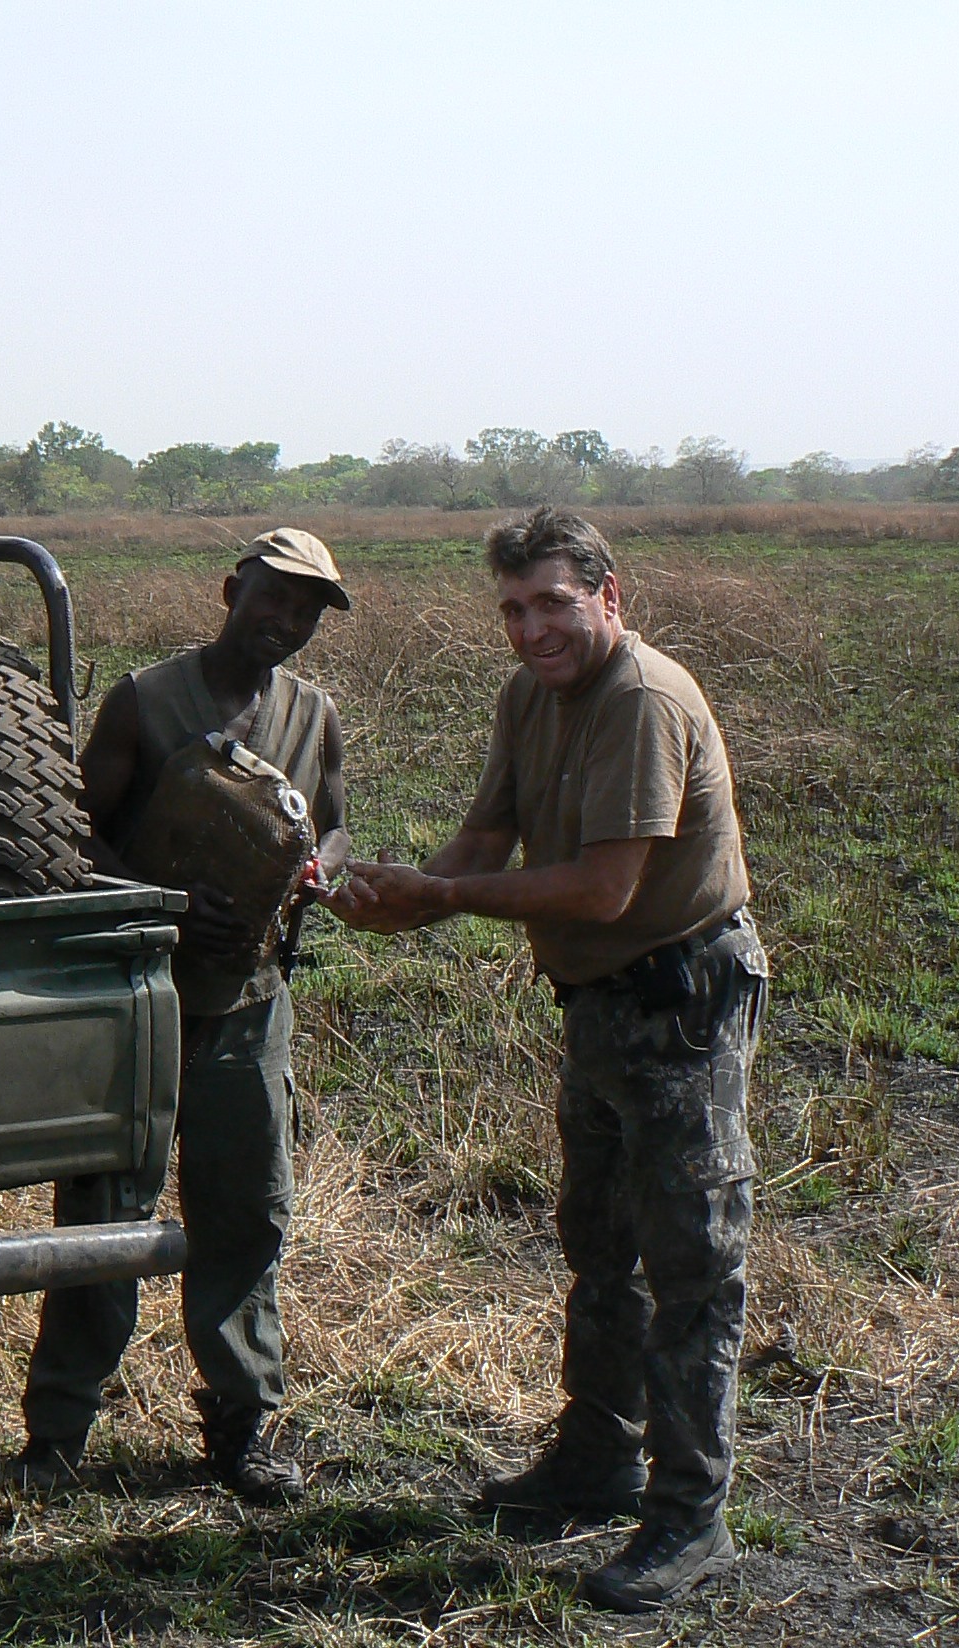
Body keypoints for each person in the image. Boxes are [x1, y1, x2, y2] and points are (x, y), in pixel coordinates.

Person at [326, 507, 766, 1613]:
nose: (529, 630)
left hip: (679, 995)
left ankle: (686, 1517)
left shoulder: (642, 700)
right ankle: (595, 1459)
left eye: (552, 604)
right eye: (513, 609)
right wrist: (398, 898)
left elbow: (601, 886)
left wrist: (444, 897)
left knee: (689, 1264)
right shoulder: (528, 696)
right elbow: (484, 838)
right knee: (598, 1241)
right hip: (598, 1003)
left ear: (609, 597)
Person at [9, 528, 354, 1504]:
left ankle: (240, 1431)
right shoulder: (143, 701)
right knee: (102, 1221)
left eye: (306, 611)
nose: (284, 622)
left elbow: (329, 814)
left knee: (246, 1217)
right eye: (273, 598)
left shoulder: (311, 713)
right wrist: (155, 895)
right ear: (229, 587)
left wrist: (317, 865)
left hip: (247, 1004)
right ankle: (57, 1435)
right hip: (139, 1004)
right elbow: (69, 837)